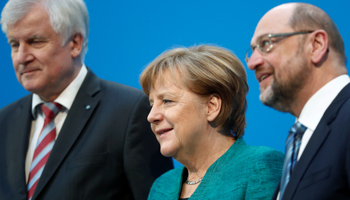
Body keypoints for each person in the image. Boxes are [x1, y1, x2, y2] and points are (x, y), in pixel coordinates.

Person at [0, 0, 173, 199]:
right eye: (14, 44)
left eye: (35, 41)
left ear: (75, 43)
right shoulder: (3, 121)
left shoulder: (129, 112)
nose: (21, 57)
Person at [139, 45, 284, 199]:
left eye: (167, 101)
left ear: (211, 107)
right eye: (151, 104)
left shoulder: (259, 166)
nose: (151, 116)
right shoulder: (161, 187)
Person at [246, 2, 350, 200]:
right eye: (252, 51)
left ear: (316, 45)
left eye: (266, 44)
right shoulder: (299, 140)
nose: (252, 63)